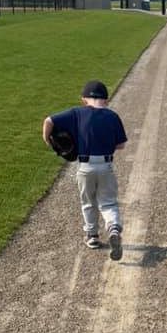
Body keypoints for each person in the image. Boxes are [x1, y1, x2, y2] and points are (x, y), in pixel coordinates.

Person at [42, 80, 127, 261]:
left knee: (88, 202)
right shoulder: (112, 116)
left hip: (85, 166)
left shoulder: (77, 113)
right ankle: (113, 228)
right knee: (108, 203)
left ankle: (92, 236)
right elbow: (121, 145)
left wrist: (48, 140)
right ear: (106, 100)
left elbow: (49, 120)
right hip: (105, 165)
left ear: (84, 99)